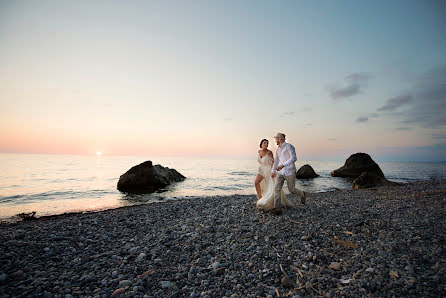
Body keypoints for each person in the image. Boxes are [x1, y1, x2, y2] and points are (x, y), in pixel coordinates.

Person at [270, 133, 306, 214]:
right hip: (280, 172)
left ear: (280, 139)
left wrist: (283, 165)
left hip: (290, 171)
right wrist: (273, 171)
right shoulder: (278, 149)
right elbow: (276, 160)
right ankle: (278, 208)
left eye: (276, 138)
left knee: (292, 190)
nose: (275, 140)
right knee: (276, 189)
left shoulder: (289, 146)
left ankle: (302, 194)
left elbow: (294, 158)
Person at [255, 139, 292, 211]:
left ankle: (270, 200)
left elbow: (273, 162)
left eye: (267, 143)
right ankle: (260, 198)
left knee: (271, 185)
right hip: (261, 169)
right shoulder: (259, 151)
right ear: (261, 144)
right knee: (256, 183)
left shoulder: (269, 152)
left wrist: (273, 171)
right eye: (265, 143)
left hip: (268, 170)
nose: (266, 144)